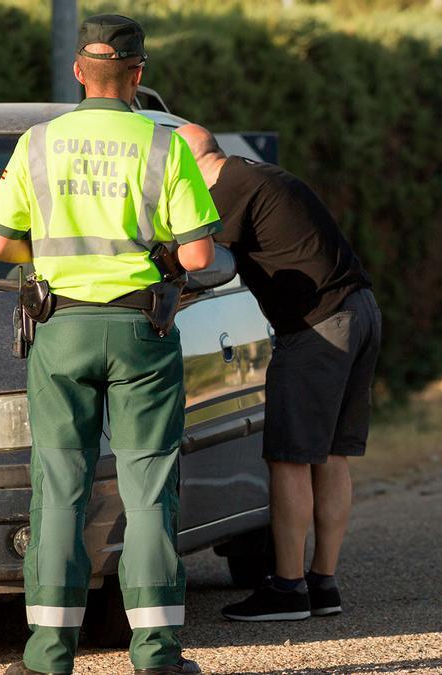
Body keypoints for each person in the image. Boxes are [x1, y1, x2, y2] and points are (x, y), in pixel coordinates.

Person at [0, 15, 220, 675]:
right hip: (140, 331)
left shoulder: (37, 143)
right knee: (149, 489)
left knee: (58, 488)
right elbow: (199, 251)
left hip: (61, 330)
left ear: (78, 72)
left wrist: (54, 254)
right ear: (138, 75)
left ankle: (48, 655)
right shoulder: (163, 146)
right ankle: (157, 654)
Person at [174, 124, 380, 622]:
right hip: (360, 310)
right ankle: (322, 584)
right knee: (330, 455)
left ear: (188, 165)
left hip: (316, 326)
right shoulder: (258, 177)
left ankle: (288, 589)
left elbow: (193, 263)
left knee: (289, 458)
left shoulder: (225, 193)